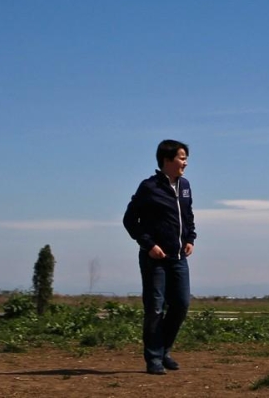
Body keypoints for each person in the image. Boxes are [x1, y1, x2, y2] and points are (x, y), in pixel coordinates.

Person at [123, 140, 196, 375]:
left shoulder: (185, 186)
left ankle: (164, 350)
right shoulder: (149, 187)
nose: (185, 162)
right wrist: (149, 245)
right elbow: (129, 220)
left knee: (181, 304)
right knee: (155, 308)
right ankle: (154, 358)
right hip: (154, 259)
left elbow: (188, 216)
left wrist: (190, 238)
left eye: (186, 158)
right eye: (182, 158)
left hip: (179, 258)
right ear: (167, 160)